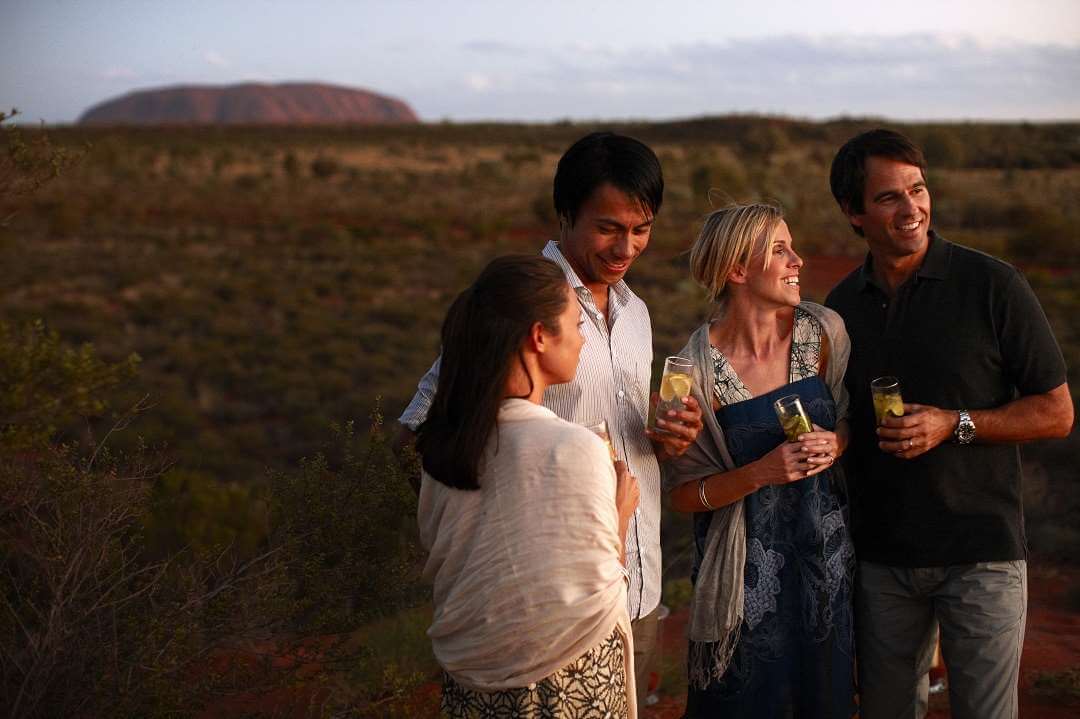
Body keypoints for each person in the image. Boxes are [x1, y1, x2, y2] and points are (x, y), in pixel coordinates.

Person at [398, 131, 704, 705]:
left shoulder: (636, 311)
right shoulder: (521, 302)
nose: (626, 248)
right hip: (545, 607)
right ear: (566, 215)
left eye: (641, 230)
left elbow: (624, 432)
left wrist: (663, 439)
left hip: (636, 583)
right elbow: (424, 424)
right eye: (609, 228)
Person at [824, 128, 1074, 719]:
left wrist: (952, 424)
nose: (912, 208)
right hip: (882, 560)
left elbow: (1057, 412)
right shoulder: (840, 308)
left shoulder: (993, 285)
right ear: (853, 213)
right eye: (888, 197)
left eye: (917, 188)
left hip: (981, 554)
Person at [416, 254, 641, 716]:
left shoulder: (445, 451)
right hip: (570, 683)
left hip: (471, 687)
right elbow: (596, 589)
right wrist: (619, 516)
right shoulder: (574, 448)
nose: (581, 340)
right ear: (540, 336)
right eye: (576, 325)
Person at [664, 202, 857, 717]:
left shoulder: (823, 334)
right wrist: (761, 473)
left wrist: (837, 442)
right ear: (737, 270)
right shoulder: (694, 370)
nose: (799, 260)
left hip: (826, 569)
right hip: (744, 584)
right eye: (780, 250)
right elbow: (684, 494)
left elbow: (852, 420)